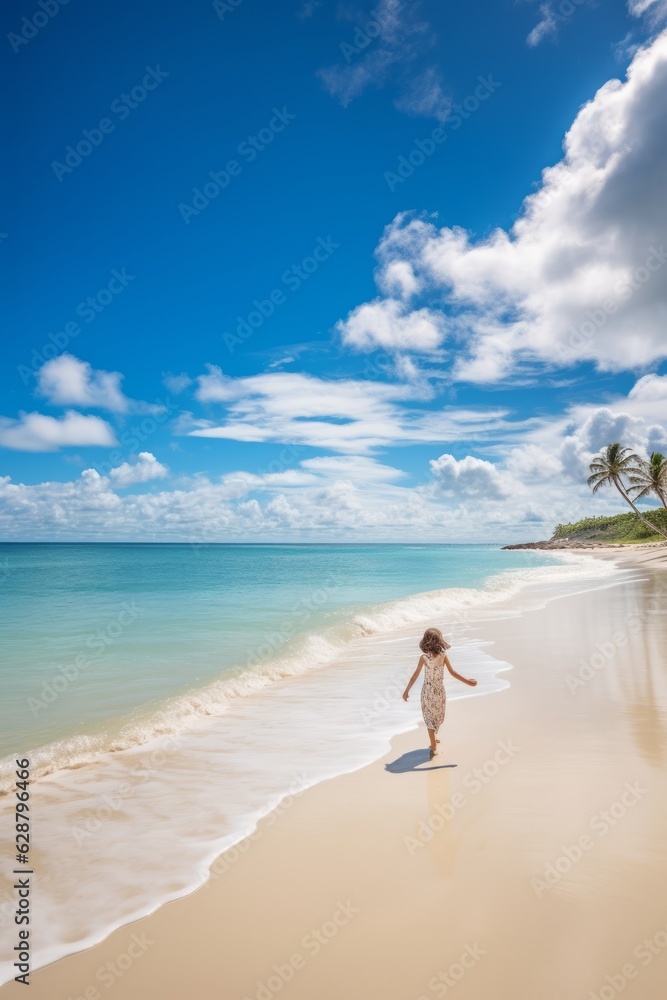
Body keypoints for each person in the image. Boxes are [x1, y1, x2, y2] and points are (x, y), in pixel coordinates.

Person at [402, 627, 477, 758]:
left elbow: (415, 675)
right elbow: (453, 673)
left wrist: (406, 690)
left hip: (427, 691)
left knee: (429, 717)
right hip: (439, 691)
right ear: (439, 641)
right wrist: (468, 682)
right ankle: (433, 743)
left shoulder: (423, 658)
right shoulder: (443, 657)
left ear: (425, 642)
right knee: (437, 714)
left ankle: (433, 742)